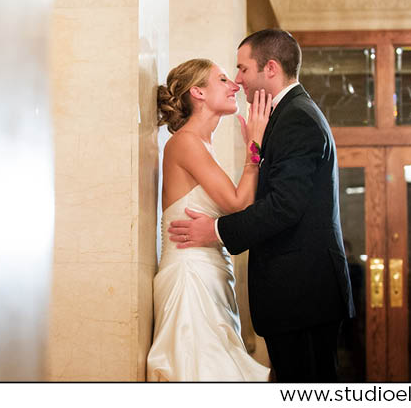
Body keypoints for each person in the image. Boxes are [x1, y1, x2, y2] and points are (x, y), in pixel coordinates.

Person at [168, 29, 355, 382]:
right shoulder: (288, 115)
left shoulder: (296, 118)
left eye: (241, 69)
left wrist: (217, 230)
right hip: (296, 293)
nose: (238, 81)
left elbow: (285, 206)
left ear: (270, 68)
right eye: (228, 75)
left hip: (303, 292)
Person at [146, 58, 272, 381]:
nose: (235, 86)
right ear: (198, 92)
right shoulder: (185, 143)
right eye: (223, 79)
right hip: (191, 279)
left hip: (211, 275)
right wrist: (254, 146)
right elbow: (238, 203)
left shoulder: (201, 144)